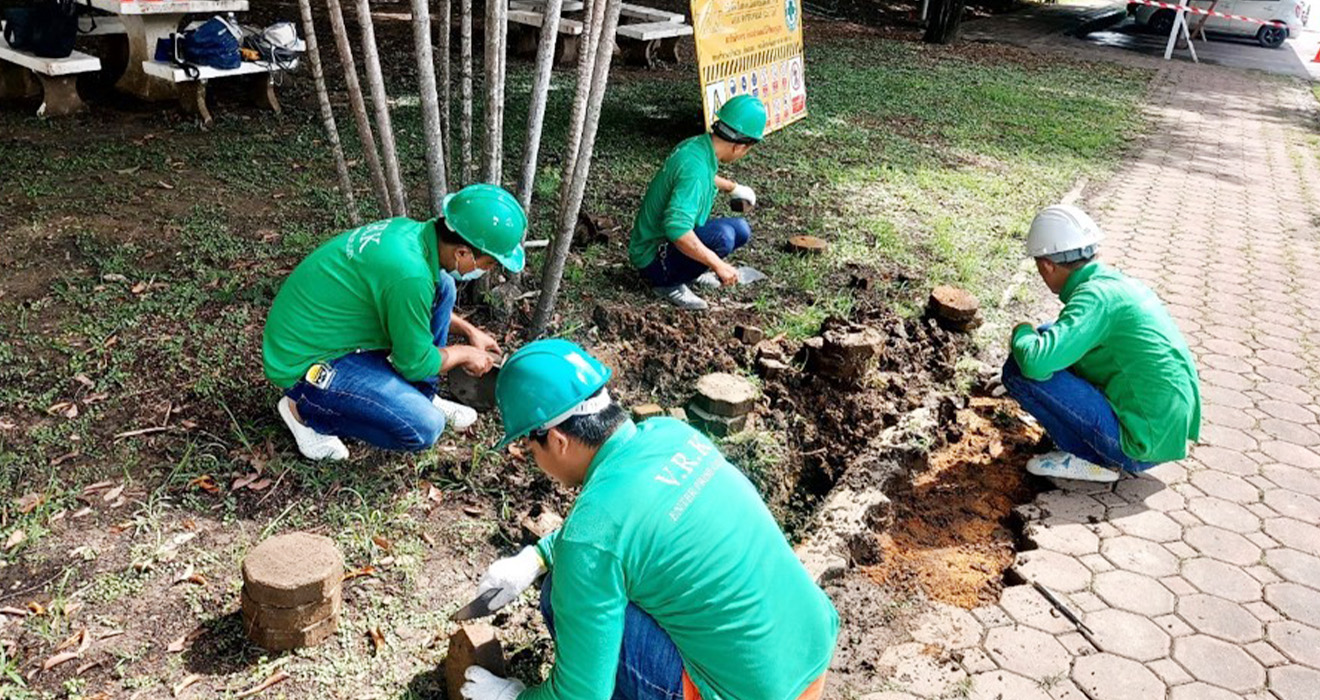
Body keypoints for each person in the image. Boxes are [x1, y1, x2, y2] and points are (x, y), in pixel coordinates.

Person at [459, 339, 838, 700]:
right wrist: (536, 556)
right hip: (809, 652)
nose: (532, 460)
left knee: (558, 594)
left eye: (529, 447)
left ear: (557, 439)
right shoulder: (672, 434)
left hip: (740, 694)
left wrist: (513, 695)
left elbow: (580, 694)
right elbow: (629, 528)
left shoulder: (590, 537)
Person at [261, 184, 527, 461]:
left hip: (328, 330)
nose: (488, 270)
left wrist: (469, 331)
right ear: (462, 252)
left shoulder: (411, 233)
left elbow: (405, 299)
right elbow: (415, 363)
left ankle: (421, 394)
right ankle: (304, 411)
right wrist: (464, 353)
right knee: (424, 428)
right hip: (306, 360)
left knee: (444, 285)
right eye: (489, 263)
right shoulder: (409, 274)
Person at [1003, 204, 1201, 483]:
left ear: (1047, 265)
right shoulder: (1112, 284)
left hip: (1139, 445)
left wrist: (1021, 331)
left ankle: (1090, 457)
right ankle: (1100, 443)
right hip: (1163, 428)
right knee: (1049, 333)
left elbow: (1034, 362)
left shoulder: (1094, 298)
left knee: (1019, 367)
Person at [630, 94, 768, 311]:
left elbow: (703, 177)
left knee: (740, 229)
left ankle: (692, 270)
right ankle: (668, 283)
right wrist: (717, 264)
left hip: (661, 243)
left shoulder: (699, 146)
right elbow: (676, 229)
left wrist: (733, 187)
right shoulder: (696, 169)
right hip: (653, 257)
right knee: (723, 237)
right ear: (740, 147)